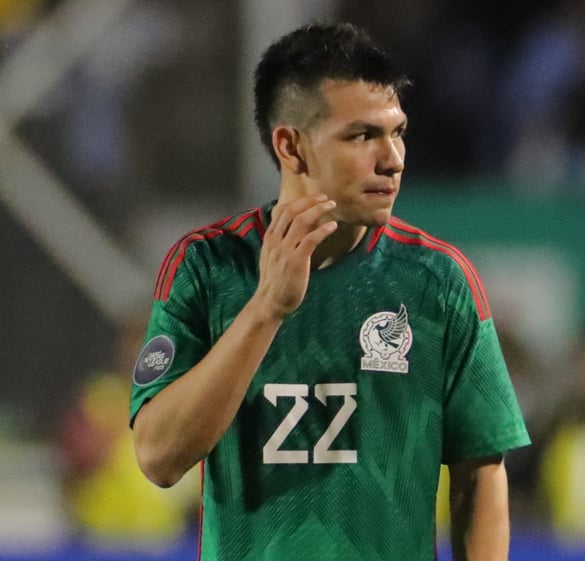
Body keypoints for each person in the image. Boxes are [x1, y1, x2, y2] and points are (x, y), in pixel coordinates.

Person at [129, 21, 530, 561]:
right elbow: (158, 458)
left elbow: (480, 471)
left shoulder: (438, 281)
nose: (393, 159)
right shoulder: (208, 267)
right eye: (362, 136)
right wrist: (266, 308)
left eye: (398, 131)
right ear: (291, 147)